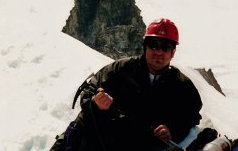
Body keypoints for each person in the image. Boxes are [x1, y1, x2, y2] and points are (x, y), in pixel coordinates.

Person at [51, 18, 203, 151]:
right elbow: (89, 91)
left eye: (165, 47)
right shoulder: (121, 69)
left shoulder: (182, 85)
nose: (158, 51)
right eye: (153, 45)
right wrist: (96, 103)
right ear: (145, 47)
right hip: (105, 137)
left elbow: (191, 116)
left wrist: (172, 129)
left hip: (141, 144)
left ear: (173, 52)